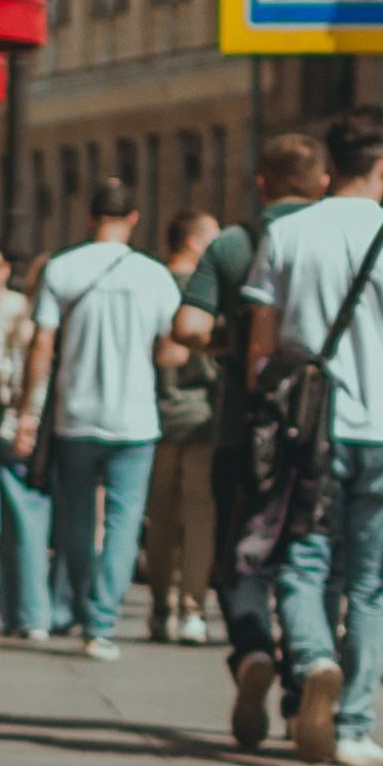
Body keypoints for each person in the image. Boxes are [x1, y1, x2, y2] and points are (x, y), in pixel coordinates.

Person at [243, 108, 383, 766]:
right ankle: (354, 724)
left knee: (301, 560)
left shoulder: (287, 233)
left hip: (307, 429)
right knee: (369, 580)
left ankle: (310, 659)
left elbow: (260, 345)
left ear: (328, 163)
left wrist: (266, 416)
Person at [175, 133, 328, 715]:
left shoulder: (235, 244)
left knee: (241, 555)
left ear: (261, 182)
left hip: (246, 429)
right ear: (323, 183)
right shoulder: (340, 240)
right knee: (308, 561)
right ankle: (304, 682)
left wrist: (229, 347)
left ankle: (252, 649)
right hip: (325, 431)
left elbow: (186, 327)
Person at [14, 181, 183, 661]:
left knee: (75, 520)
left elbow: (41, 346)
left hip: (76, 414)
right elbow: (171, 350)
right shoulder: (154, 275)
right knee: (125, 521)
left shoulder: (63, 267)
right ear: (133, 219)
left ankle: (84, 606)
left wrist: (29, 413)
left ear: (90, 218)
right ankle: (103, 621)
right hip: (135, 419)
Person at [145, 204, 221, 644]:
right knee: (198, 516)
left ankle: (157, 607)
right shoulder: (204, 290)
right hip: (200, 418)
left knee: (159, 519)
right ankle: (192, 608)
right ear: (194, 242)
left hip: (153, 418)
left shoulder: (150, 284)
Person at [0, 242, 52, 639]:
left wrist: (23, 420)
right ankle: (30, 611)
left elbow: (19, 378)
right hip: (32, 429)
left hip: (22, 428)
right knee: (29, 522)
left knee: (23, 522)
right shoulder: (31, 322)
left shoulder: (27, 320)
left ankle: (25, 610)